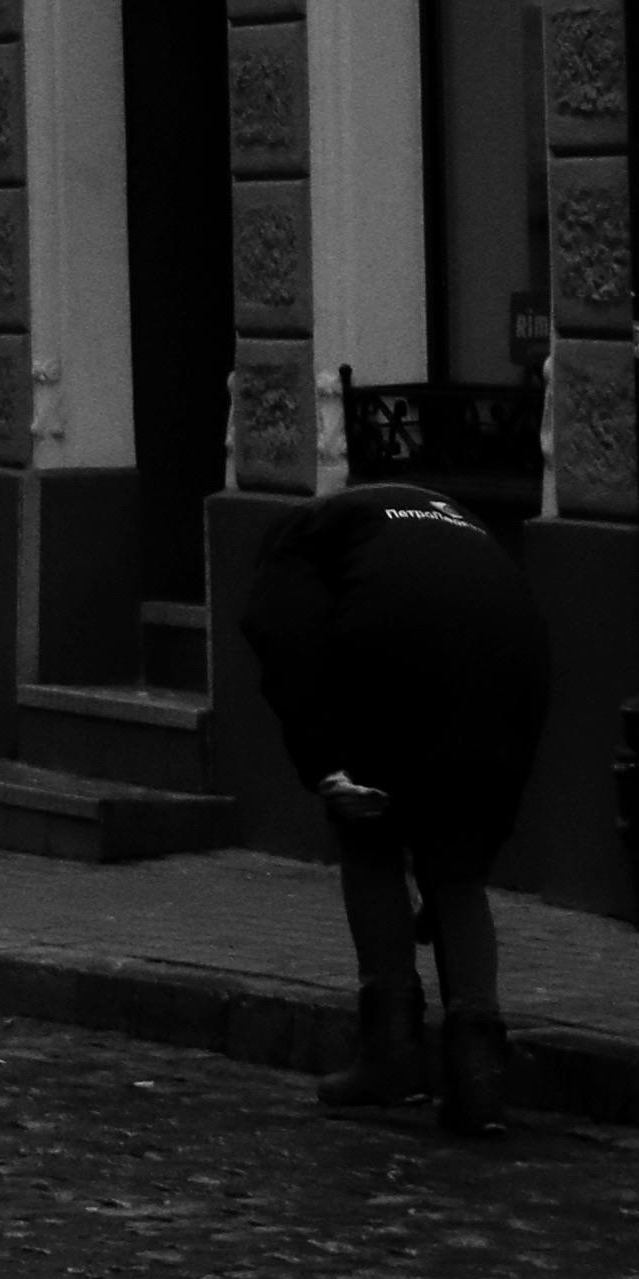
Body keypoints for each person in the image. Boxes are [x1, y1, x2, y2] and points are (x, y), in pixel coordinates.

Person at [242, 456, 556, 1144]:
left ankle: (391, 1055)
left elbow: (287, 643)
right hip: (517, 655)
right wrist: (476, 836)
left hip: (394, 644)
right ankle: (479, 1080)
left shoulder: (296, 537)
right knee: (459, 869)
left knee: (369, 829)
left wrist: (325, 769)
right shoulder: (452, 523)